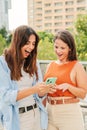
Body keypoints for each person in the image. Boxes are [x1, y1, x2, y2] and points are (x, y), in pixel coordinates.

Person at [0, 25, 56, 130]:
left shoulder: (34, 62)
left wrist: (44, 90)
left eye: (33, 44)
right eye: (27, 43)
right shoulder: (3, 63)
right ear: (18, 42)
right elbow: (5, 97)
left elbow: (38, 95)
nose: (31, 47)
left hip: (36, 116)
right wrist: (33, 89)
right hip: (18, 119)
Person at [44, 30, 87, 130]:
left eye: (62, 48)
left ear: (70, 49)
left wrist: (68, 86)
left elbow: (83, 94)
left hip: (69, 114)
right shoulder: (50, 65)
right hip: (49, 111)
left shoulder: (77, 66)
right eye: (56, 47)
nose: (58, 51)